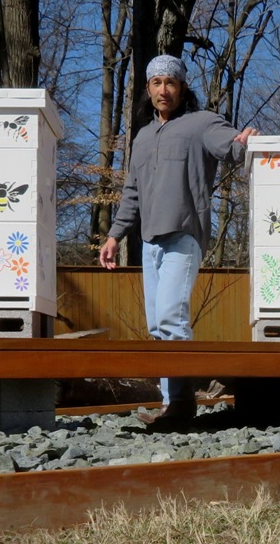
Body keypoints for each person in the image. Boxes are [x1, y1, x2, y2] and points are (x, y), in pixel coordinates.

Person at [99, 55, 259, 427]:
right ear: (148, 90)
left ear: (182, 87)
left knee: (172, 317)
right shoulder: (141, 137)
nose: (163, 90)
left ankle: (182, 407)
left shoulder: (200, 123)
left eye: (170, 82)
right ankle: (172, 403)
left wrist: (248, 140)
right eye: (156, 83)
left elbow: (232, 148)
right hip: (150, 241)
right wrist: (114, 235)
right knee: (157, 325)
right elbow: (132, 192)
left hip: (184, 234)